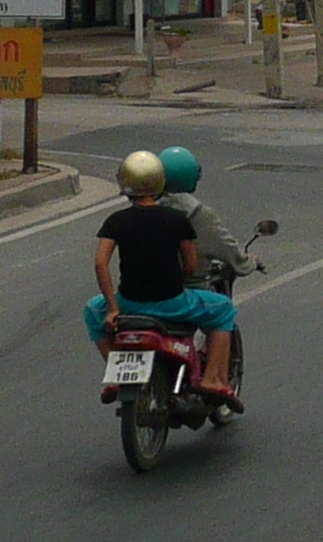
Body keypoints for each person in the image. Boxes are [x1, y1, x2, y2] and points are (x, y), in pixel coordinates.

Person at [86, 150, 240, 406]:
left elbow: (100, 263)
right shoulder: (178, 220)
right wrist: (175, 283)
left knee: (92, 310)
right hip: (173, 303)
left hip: (128, 304)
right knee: (224, 309)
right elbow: (190, 264)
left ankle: (115, 373)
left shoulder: (116, 220)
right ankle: (213, 379)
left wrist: (113, 308)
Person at [154, 144, 252, 279]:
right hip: (186, 288)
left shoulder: (143, 211)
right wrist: (250, 262)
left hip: (139, 289)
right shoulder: (197, 215)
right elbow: (229, 251)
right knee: (222, 301)